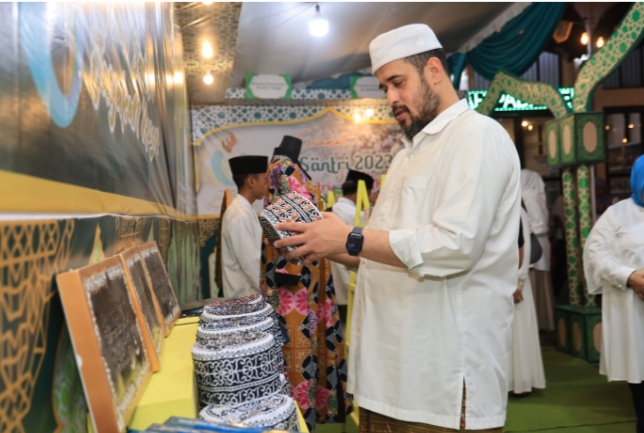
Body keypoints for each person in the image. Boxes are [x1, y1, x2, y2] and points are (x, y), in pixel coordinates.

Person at [273, 24, 521, 432]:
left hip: (440, 383)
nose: (390, 98)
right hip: (386, 377)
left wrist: (349, 237)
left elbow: (455, 246)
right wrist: (325, 241)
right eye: (384, 87)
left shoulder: (476, 137)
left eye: (397, 82)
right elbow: (381, 251)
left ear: (434, 71)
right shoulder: (406, 156)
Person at [262, 136, 353, 431]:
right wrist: (290, 271)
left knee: (309, 346)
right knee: (298, 350)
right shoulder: (284, 168)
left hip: (309, 275)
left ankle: (311, 414)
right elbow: (286, 226)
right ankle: (300, 419)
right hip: (295, 280)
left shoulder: (288, 167)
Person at [583, 155, 644, 433]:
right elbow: (595, 253)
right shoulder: (617, 214)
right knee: (640, 373)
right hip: (632, 310)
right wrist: (628, 276)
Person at [509, 206, 546, 396]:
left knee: (519, 330)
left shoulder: (518, 212)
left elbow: (524, 246)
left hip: (515, 283)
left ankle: (521, 381)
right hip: (502, 280)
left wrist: (519, 282)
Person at [220, 155, 268, 299]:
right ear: (251, 181)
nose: (267, 185)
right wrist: (270, 291)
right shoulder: (240, 215)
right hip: (244, 302)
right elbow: (251, 264)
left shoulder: (245, 210)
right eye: (265, 180)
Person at [331, 170, 374, 323]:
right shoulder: (358, 215)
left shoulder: (332, 208)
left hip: (332, 284)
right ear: (362, 192)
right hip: (350, 280)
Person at [521, 169, 555, 331]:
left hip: (535, 244)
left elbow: (538, 224)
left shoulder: (529, 197)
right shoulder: (535, 195)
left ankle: (538, 325)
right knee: (541, 284)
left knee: (536, 283)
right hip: (539, 243)